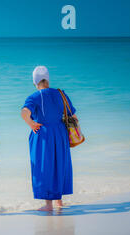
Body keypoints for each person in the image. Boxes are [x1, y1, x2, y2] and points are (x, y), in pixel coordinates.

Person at [21, 66, 78, 211]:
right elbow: (73, 116)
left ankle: (48, 205)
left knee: (44, 167)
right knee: (60, 165)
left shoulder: (34, 97)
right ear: (47, 79)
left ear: (35, 81)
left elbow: (24, 113)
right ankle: (59, 202)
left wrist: (32, 124)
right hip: (60, 133)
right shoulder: (61, 94)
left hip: (43, 134)